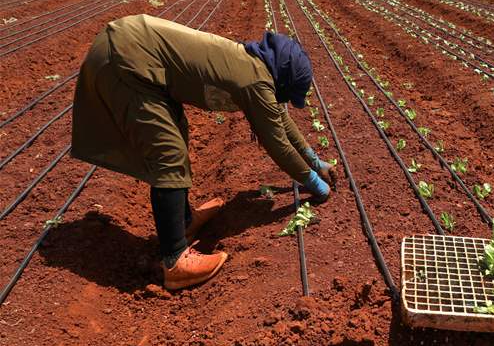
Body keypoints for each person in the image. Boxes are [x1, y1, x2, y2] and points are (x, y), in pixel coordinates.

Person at [71, 15, 337, 290]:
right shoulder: (255, 83)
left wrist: (317, 163)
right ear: (283, 80)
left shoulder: (257, 67)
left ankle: (184, 222)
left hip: (134, 49)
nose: (285, 101)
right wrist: (315, 184)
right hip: (124, 59)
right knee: (168, 152)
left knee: (177, 131)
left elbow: (281, 121)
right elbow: (277, 143)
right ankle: (174, 260)